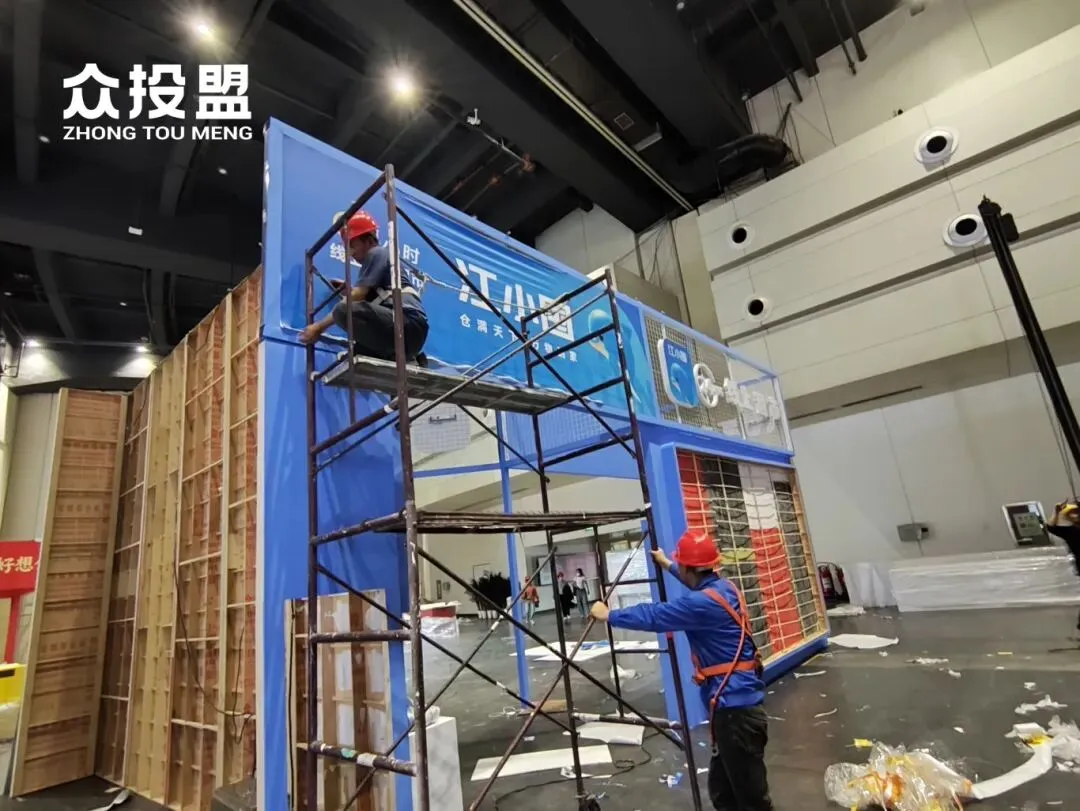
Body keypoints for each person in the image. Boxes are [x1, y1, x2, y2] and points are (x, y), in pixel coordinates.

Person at [590, 530, 774, 811]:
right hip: (736, 710)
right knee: (724, 795)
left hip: (735, 716)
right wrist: (667, 564)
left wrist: (610, 615)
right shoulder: (726, 588)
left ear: (689, 567)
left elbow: (655, 615)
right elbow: (695, 582)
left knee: (752, 802)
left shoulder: (699, 604)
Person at [299, 210, 428, 365]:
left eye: (352, 245)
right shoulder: (381, 267)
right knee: (353, 355)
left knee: (342, 311)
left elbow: (357, 296)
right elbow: (369, 299)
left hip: (408, 323)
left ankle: (406, 357)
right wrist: (351, 292)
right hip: (407, 332)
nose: (350, 253)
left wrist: (319, 327)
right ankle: (407, 358)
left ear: (369, 240)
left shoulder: (376, 253)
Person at [1045, 500, 1080, 634]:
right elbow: (1050, 527)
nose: (1074, 516)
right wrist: (1056, 511)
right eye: (1071, 514)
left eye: (1076, 513)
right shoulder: (1071, 531)